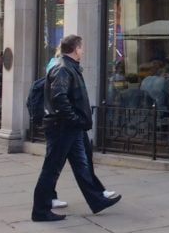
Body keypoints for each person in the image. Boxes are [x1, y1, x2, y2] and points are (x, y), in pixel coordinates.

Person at [31, 35, 122, 222]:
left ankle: (97, 200)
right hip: (62, 128)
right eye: (81, 47)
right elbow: (59, 97)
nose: (83, 50)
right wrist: (73, 119)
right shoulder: (63, 69)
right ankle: (40, 211)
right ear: (75, 48)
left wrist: (76, 122)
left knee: (82, 165)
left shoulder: (69, 67)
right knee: (51, 169)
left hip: (70, 128)